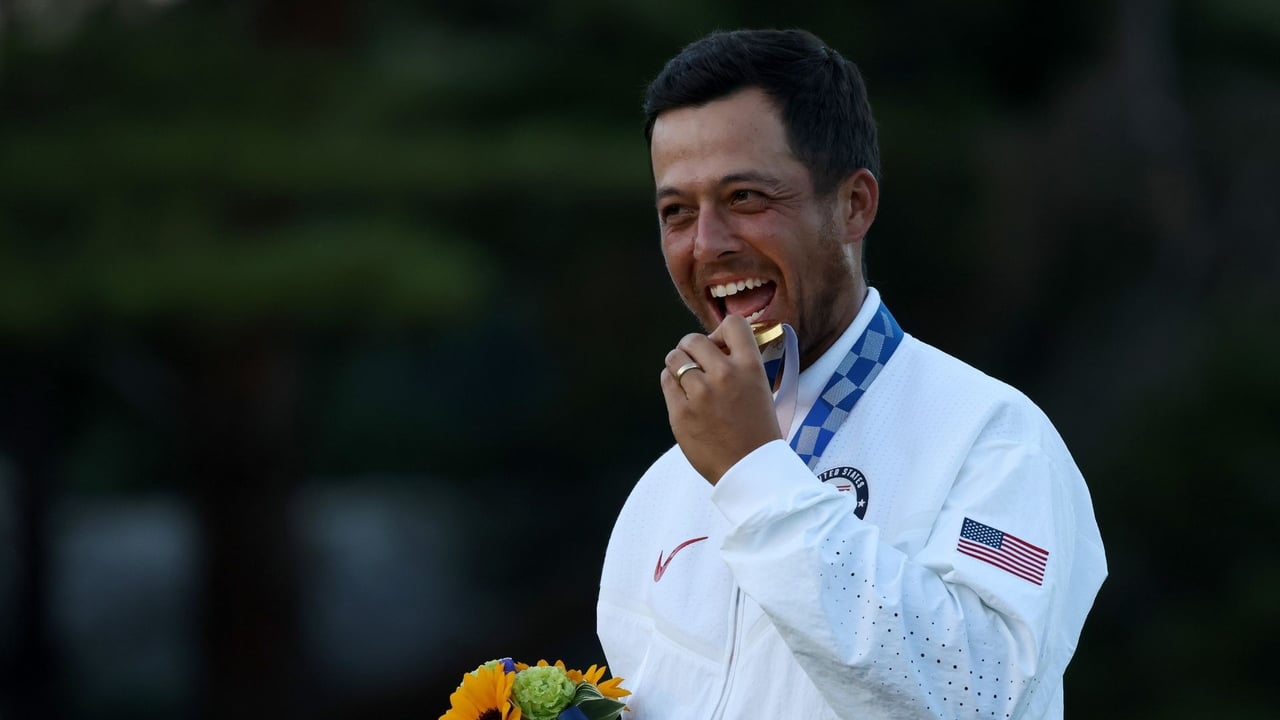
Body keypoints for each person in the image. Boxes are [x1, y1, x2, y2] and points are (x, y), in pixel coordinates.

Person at [596, 28, 1107, 720]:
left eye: (745, 197)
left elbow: (982, 696)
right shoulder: (663, 488)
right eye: (676, 211)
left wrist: (755, 476)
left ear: (854, 206)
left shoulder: (994, 437)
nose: (707, 244)